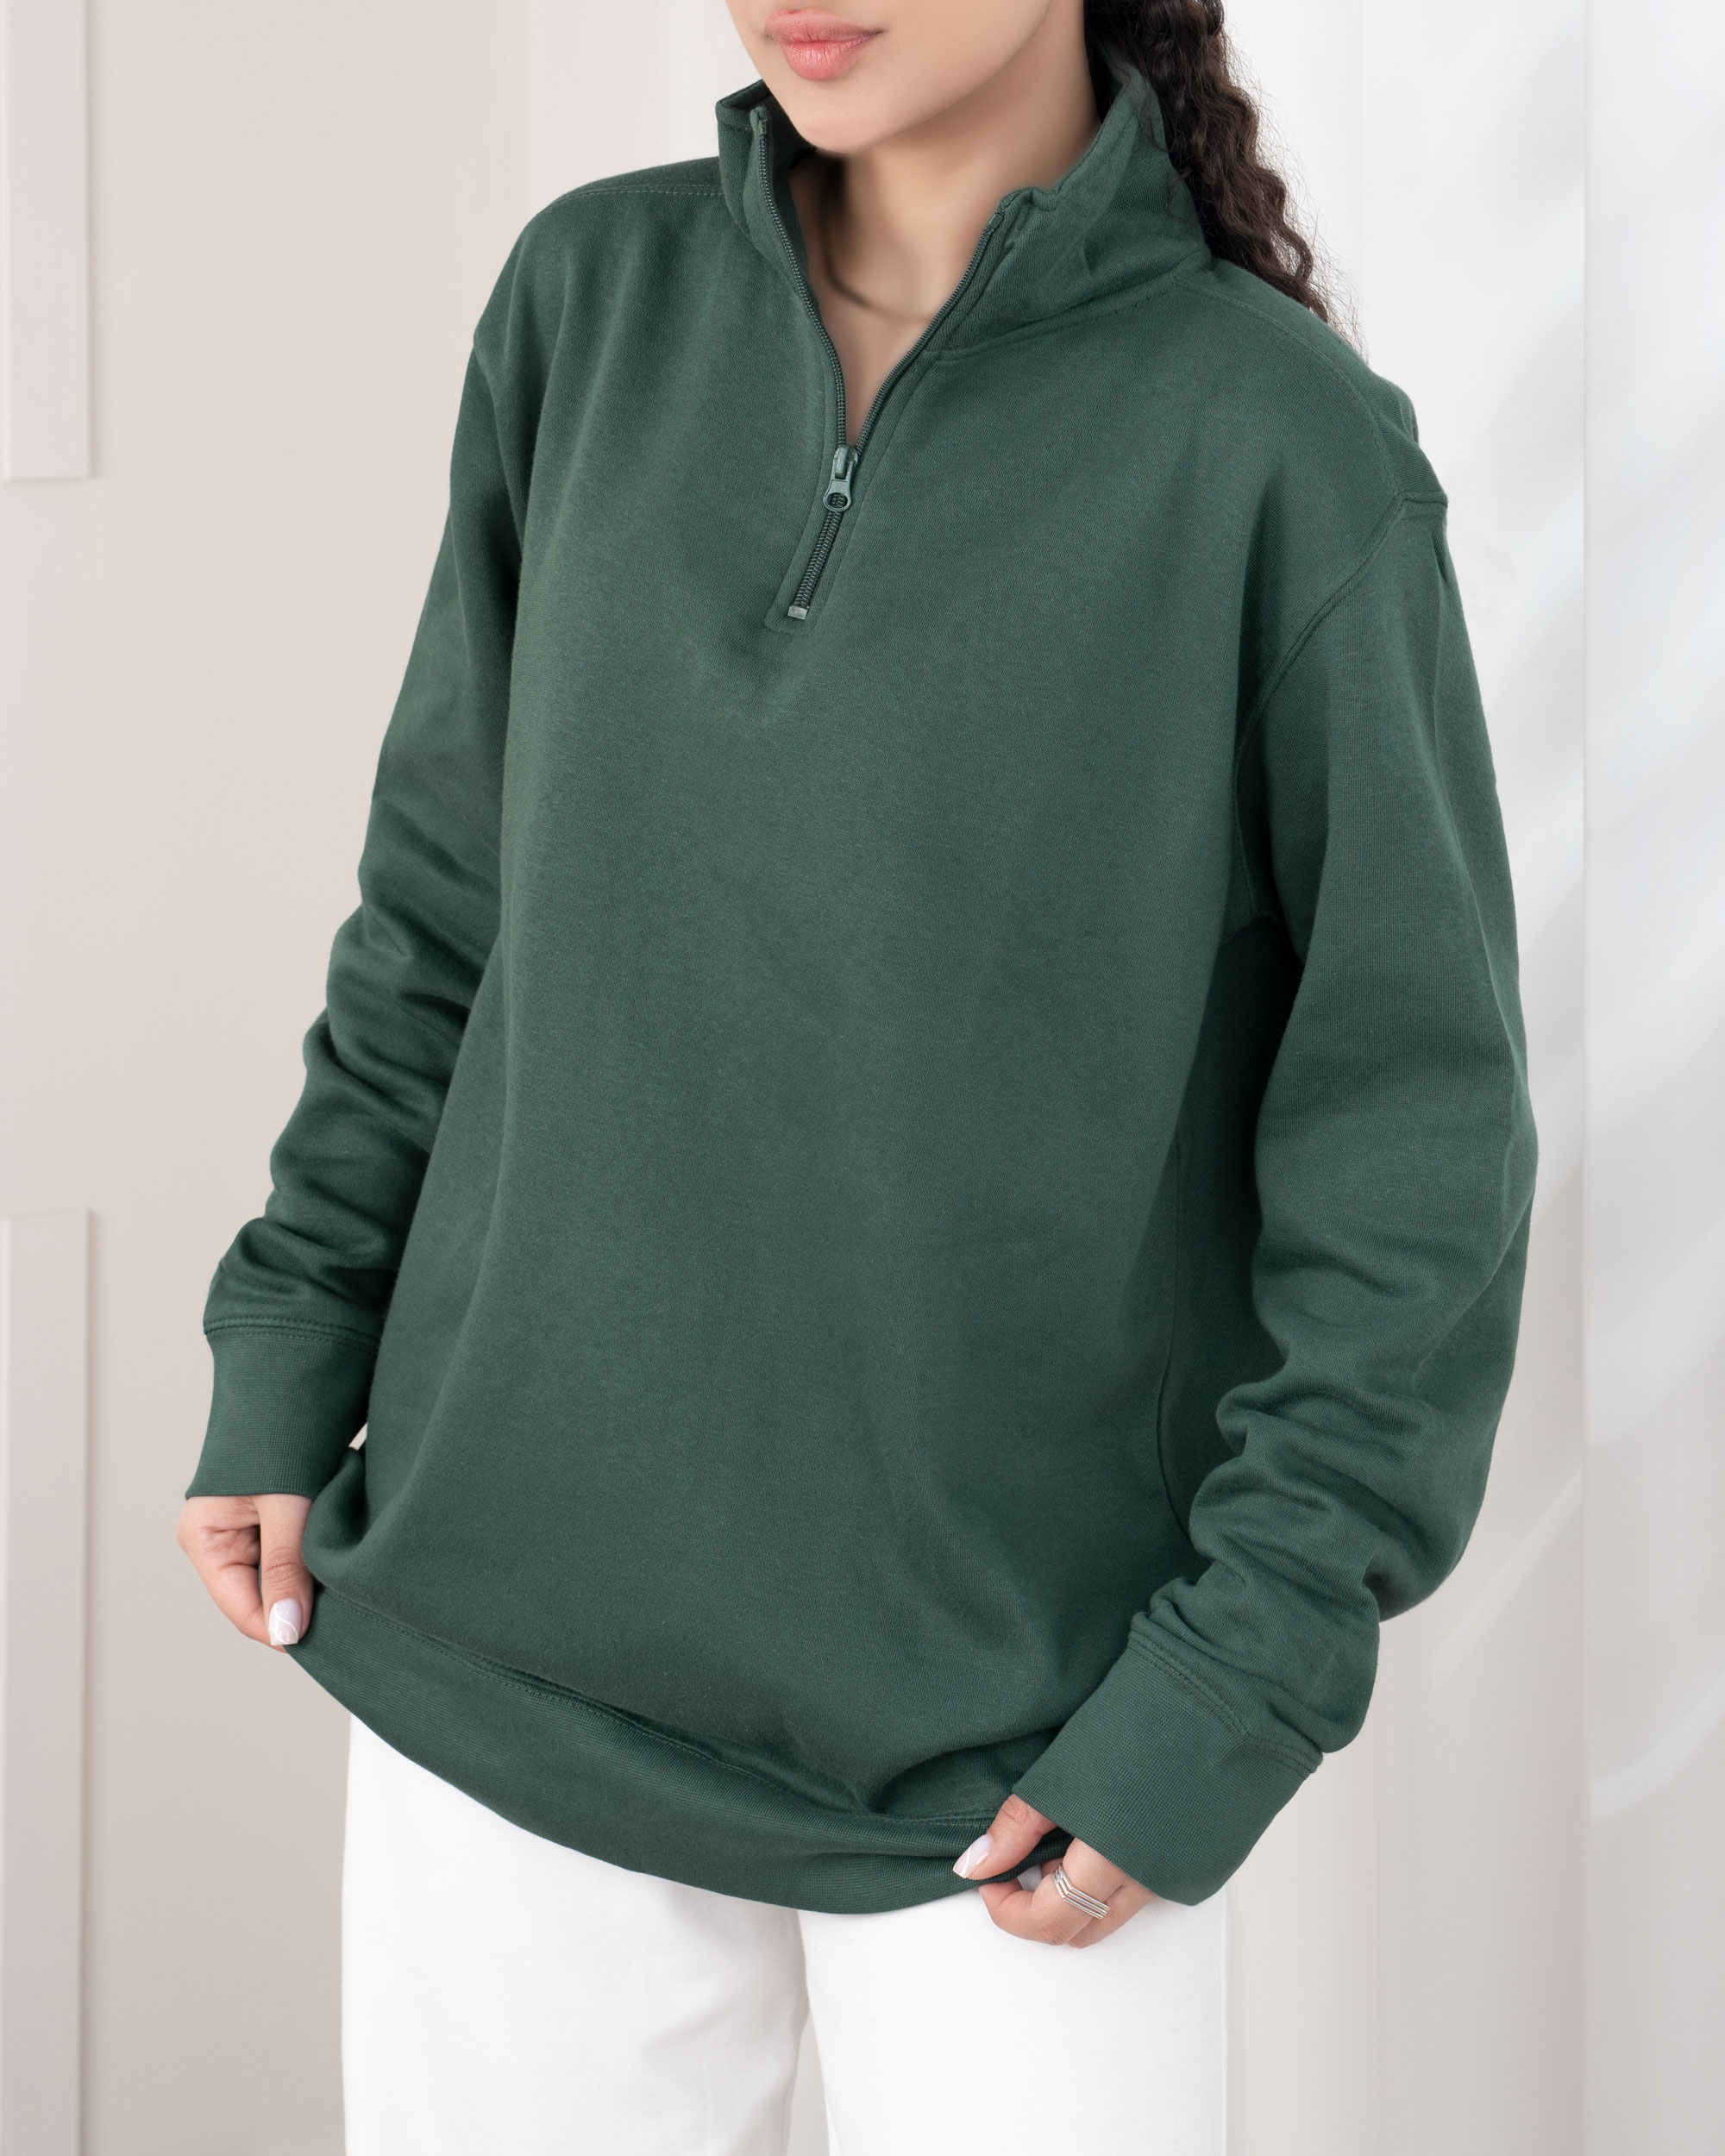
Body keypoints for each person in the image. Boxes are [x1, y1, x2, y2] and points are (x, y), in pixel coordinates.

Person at [177, 2, 1537, 2150]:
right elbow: (445, 899)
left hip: (1026, 1755)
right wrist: (292, 1331)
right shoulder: (590, 299)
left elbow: (1412, 1149)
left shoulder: (1278, 448)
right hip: (498, 1651)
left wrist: (1234, 1681)